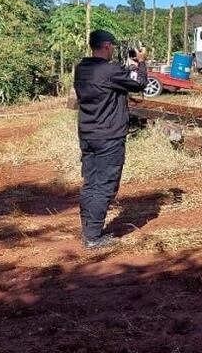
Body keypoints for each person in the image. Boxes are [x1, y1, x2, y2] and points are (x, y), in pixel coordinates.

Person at [73, 30, 148, 249]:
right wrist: (141, 63)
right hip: (109, 136)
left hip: (88, 135)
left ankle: (88, 230)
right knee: (105, 186)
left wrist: (129, 67)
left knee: (90, 184)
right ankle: (94, 238)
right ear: (106, 46)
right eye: (112, 46)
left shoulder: (82, 68)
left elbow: (118, 80)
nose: (113, 49)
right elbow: (140, 83)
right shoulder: (110, 71)